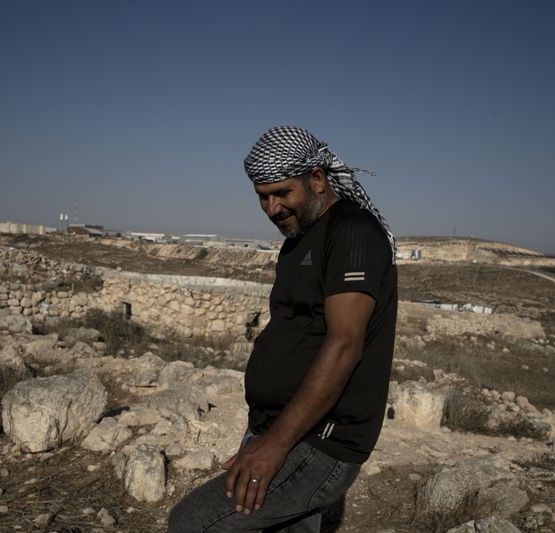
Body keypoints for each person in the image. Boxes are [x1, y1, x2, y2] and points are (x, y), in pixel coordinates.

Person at [168, 126, 397, 532]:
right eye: (263, 196)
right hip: (281, 429)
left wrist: (274, 446)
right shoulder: (299, 238)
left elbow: (344, 344)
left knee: (192, 524)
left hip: (316, 440)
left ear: (317, 179)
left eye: (282, 193)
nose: (272, 208)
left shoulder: (352, 233)